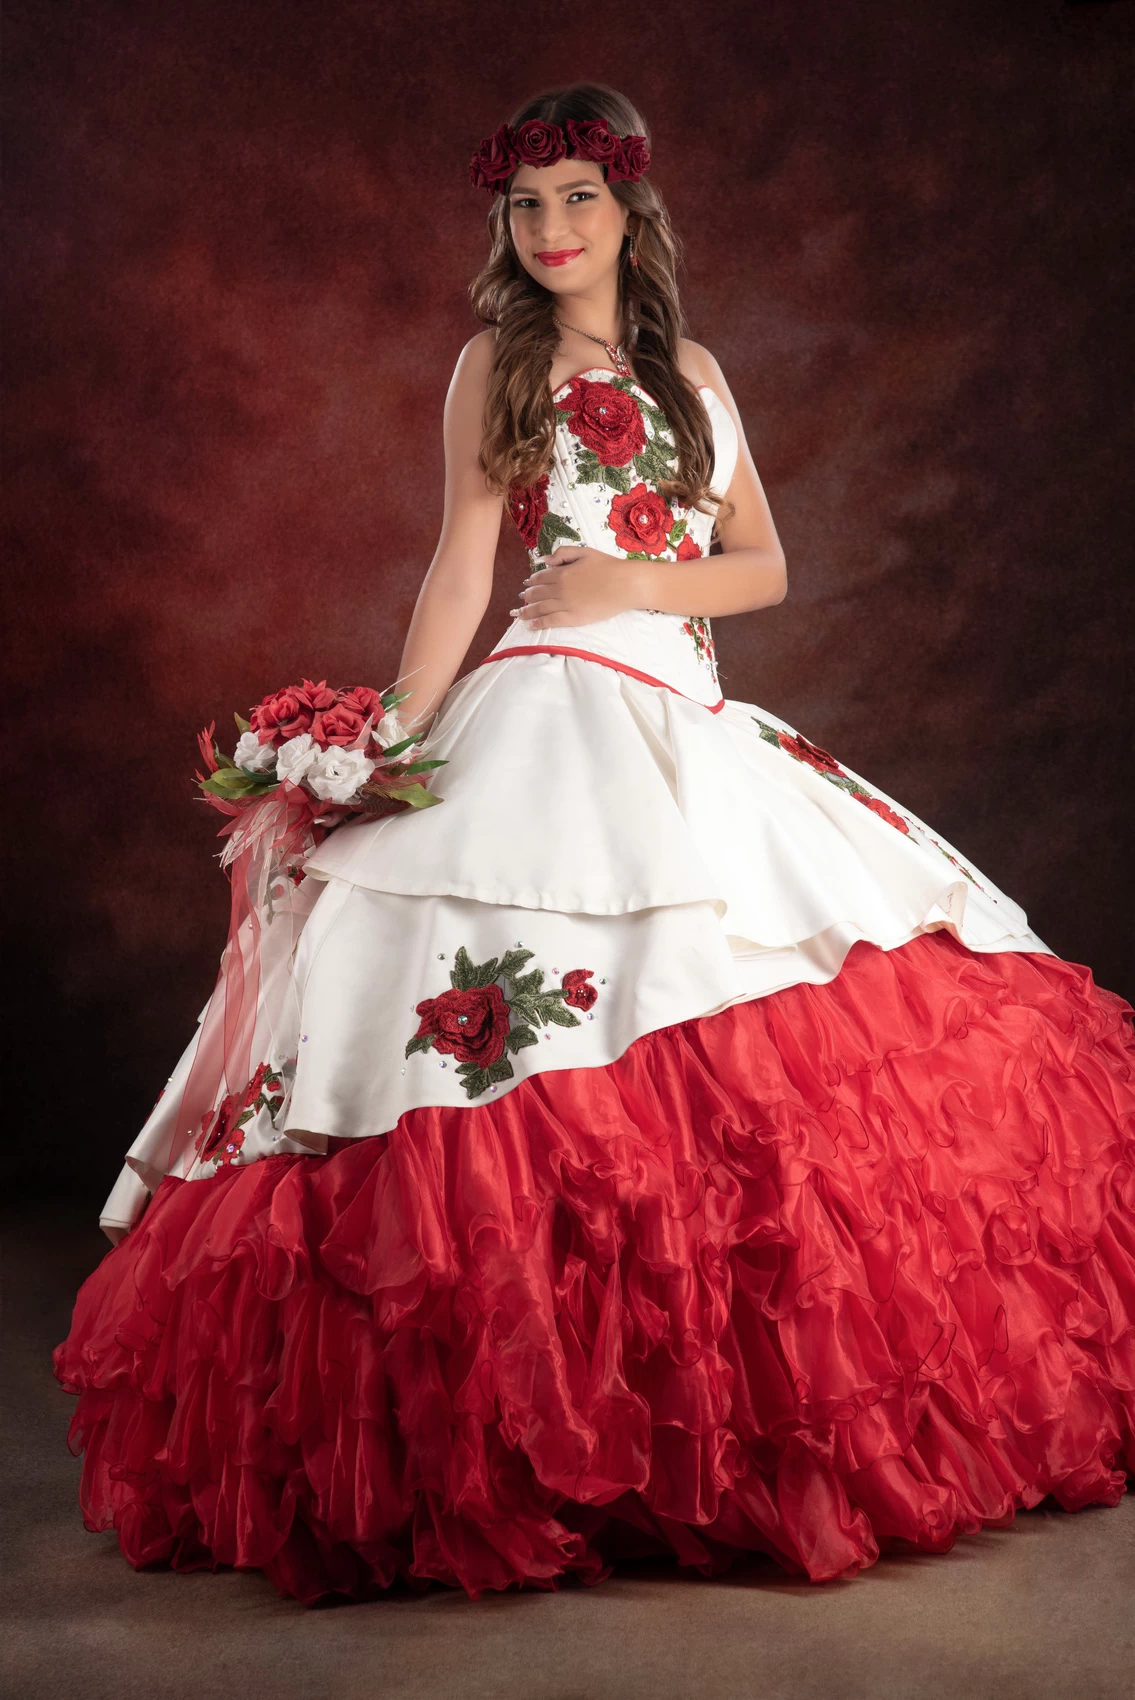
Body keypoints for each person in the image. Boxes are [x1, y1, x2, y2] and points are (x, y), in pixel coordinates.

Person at [53, 82, 1134, 1606]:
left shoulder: (693, 372)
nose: (550, 229)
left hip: (681, 715)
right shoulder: (493, 365)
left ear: (631, 215)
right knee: (460, 1013)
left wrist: (634, 585)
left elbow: (760, 564)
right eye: (525, 205)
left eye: (578, 198)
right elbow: (457, 569)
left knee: (770, 995)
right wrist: (383, 739)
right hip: (541, 708)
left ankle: (730, 1424)